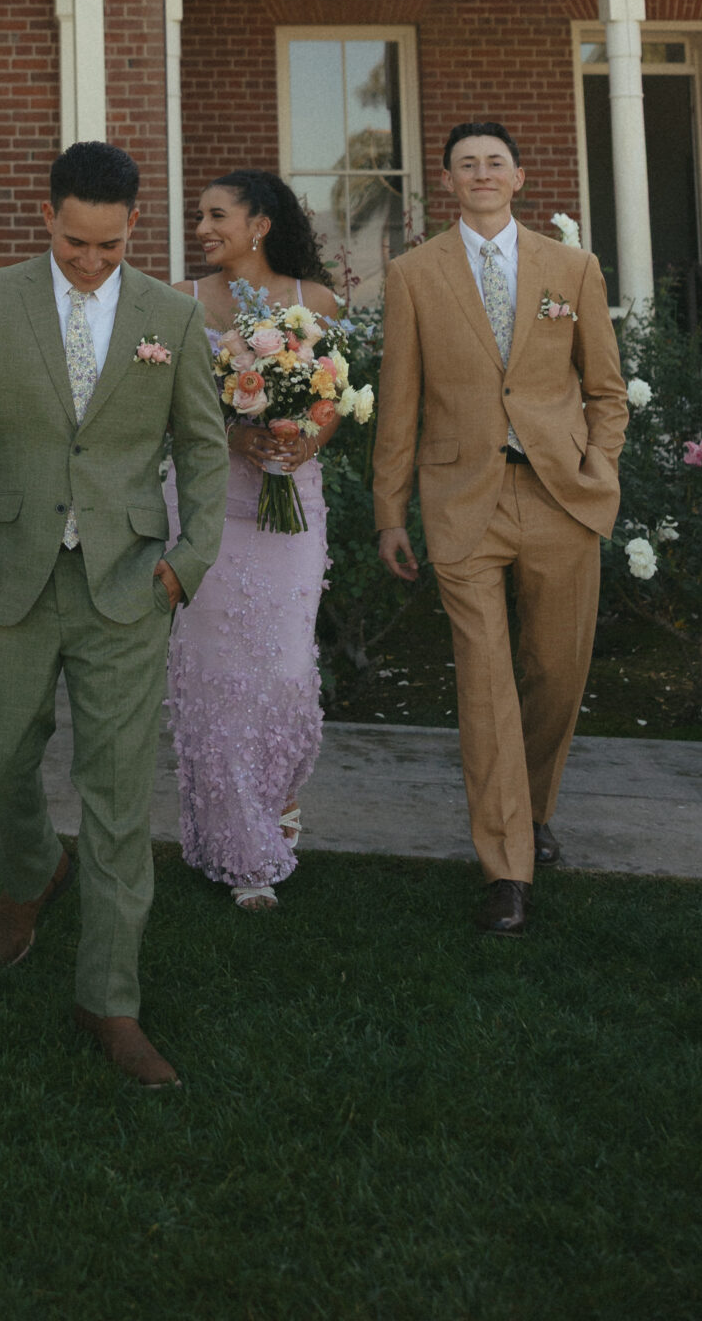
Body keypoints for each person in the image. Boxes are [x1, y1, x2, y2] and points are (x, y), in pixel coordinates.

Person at [0, 141, 229, 1090]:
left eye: (106, 243)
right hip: (10, 569)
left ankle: (109, 998)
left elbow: (203, 452)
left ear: (133, 224)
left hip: (130, 585)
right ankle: (27, 876)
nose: (89, 260)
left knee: (118, 795)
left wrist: (186, 564)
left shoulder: (168, 315)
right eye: (73, 241)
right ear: (45, 216)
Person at [374, 120, 627, 936]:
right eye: (465, 165)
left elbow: (606, 389)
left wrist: (598, 468)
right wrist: (390, 511)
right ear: (445, 182)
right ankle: (504, 866)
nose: (480, 174)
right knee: (483, 683)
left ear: (518, 178)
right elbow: (400, 405)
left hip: (559, 498)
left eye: (494, 163)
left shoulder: (571, 267)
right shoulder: (413, 275)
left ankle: (534, 807)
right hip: (462, 505)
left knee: (555, 670)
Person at [166, 172, 340, 912]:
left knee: (284, 669)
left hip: (290, 507)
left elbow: (332, 394)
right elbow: (169, 410)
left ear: (259, 224)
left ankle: (279, 799)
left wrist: (304, 438)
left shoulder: (315, 304)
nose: (201, 227)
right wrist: (235, 432)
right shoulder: (179, 301)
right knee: (213, 676)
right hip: (208, 506)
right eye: (198, 216)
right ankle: (240, 847)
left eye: (215, 215)